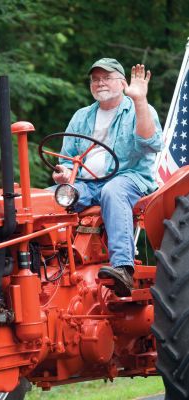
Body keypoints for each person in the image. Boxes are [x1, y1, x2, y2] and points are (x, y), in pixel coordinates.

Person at [52, 57, 163, 297]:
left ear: (123, 83)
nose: (100, 83)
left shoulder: (137, 109)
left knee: (112, 191)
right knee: (48, 199)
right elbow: (66, 160)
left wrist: (140, 99)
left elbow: (150, 143)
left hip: (129, 178)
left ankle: (122, 267)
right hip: (86, 183)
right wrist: (62, 175)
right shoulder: (81, 116)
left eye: (106, 78)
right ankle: (48, 264)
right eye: (95, 79)